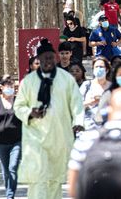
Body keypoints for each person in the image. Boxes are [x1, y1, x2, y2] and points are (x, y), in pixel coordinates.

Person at [14, 39, 84, 199]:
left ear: (55, 58)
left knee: (54, 181)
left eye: (51, 57)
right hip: (35, 138)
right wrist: (30, 112)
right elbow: (18, 107)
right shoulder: (28, 82)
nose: (48, 61)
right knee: (38, 181)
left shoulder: (66, 79)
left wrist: (78, 122)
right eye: (44, 58)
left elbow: (76, 102)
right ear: (38, 60)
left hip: (59, 136)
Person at [0, 75, 22, 199]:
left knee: (12, 168)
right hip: (0, 143)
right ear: (1, 87)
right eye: (8, 86)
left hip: (17, 141)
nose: (11, 89)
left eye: (13, 86)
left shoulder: (19, 101)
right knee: (6, 172)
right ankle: (9, 191)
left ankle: (9, 196)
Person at [80, 57, 112, 129]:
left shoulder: (113, 87)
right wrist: (90, 102)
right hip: (89, 126)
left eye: (101, 67)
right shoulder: (86, 85)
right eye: (96, 67)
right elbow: (77, 106)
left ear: (106, 70)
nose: (98, 69)